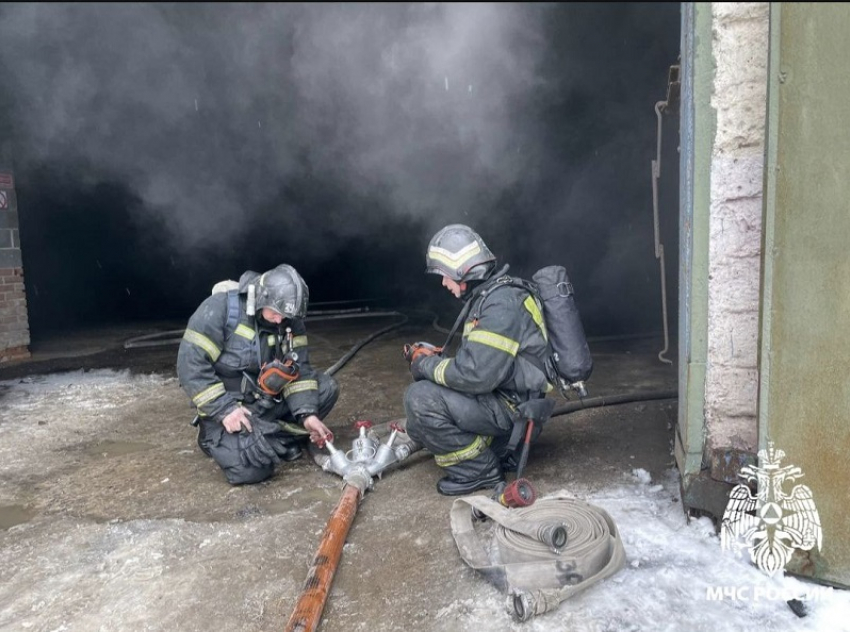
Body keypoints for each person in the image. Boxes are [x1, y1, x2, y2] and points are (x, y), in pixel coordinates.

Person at [403, 224, 554, 496]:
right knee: (417, 423)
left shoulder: (501, 304)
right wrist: (437, 362)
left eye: (445, 275)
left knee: (420, 398)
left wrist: (423, 365)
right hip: (508, 400)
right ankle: (495, 448)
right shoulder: (492, 296)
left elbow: (476, 376)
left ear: (463, 270)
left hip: (513, 410)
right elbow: (479, 364)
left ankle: (479, 470)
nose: (443, 283)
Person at [177, 263, 339, 485]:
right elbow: (190, 366)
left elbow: (299, 372)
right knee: (251, 472)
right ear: (262, 298)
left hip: (266, 402)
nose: (280, 320)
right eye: (276, 313)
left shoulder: (289, 321)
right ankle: (213, 437)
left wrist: (307, 415)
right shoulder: (219, 309)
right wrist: (224, 410)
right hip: (230, 409)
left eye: (286, 316)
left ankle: (270, 434)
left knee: (327, 388)